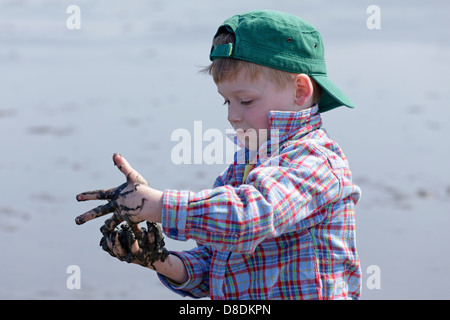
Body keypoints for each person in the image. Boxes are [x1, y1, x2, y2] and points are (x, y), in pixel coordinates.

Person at [75, 9, 362, 300]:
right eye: (226, 101)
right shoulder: (244, 166)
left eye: (245, 100)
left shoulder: (316, 161)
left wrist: (159, 205)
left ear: (300, 91)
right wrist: (158, 260)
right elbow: (217, 266)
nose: (232, 116)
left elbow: (250, 218)